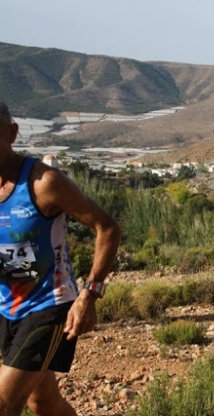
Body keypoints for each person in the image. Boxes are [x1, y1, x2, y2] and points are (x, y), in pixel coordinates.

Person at [0, 101, 121, 416]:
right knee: (43, 402)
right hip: (6, 307)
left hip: (48, 306)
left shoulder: (43, 183)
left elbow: (106, 227)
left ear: (11, 134)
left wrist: (89, 295)